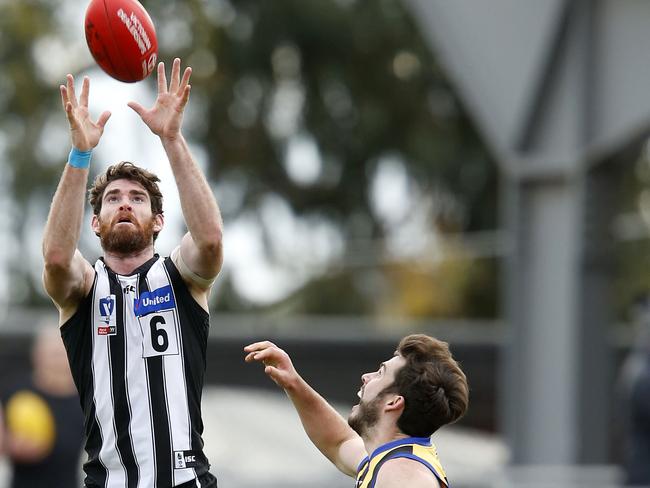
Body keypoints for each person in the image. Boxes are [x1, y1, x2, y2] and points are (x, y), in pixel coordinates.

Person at [41, 58, 223, 487]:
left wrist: (172, 138)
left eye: (138, 198)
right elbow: (54, 258)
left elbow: (212, 240)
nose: (125, 203)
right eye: (113, 199)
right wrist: (80, 153)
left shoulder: (182, 277)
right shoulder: (85, 288)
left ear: (158, 221)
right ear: (96, 223)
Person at [244, 334, 469, 488]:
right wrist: (292, 383)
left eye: (380, 373)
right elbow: (338, 442)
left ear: (393, 402)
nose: (366, 377)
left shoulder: (403, 476)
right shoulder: (390, 460)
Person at [0, 326, 84, 488]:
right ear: (37, 355)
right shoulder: (14, 391)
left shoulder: (86, 399)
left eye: (62, 354)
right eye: (52, 354)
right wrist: (10, 445)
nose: (57, 361)